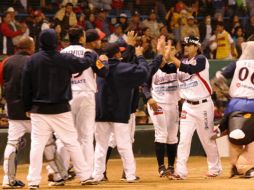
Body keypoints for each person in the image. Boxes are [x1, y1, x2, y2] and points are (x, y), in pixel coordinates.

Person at [21, 29, 98, 190]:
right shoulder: (63, 58)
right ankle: (84, 175)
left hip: (38, 109)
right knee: (72, 142)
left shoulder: (32, 60)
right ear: (56, 41)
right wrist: (90, 54)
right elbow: (84, 63)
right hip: (60, 109)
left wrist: (27, 107)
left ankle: (33, 181)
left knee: (37, 145)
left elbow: (25, 87)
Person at [58, 27, 108, 183]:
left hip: (66, 96)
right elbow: (103, 73)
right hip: (85, 94)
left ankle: (60, 173)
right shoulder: (90, 53)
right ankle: (86, 174)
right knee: (85, 137)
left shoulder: (61, 53)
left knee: (63, 136)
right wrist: (103, 62)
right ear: (81, 38)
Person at [168, 36, 222, 180]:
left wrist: (172, 57)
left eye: (189, 45)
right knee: (184, 139)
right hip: (187, 106)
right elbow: (166, 68)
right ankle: (180, 171)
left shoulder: (201, 59)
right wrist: (164, 54)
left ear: (196, 47)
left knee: (207, 139)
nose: (186, 47)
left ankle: (215, 168)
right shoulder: (182, 61)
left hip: (203, 105)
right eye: (184, 45)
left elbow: (191, 69)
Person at [213, 36, 254, 178]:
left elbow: (218, 77)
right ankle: (246, 166)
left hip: (233, 106)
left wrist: (227, 91)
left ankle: (235, 167)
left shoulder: (238, 64)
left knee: (234, 139)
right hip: (252, 106)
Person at [0, 36, 34, 189]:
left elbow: (2, 82)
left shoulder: (6, 61)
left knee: (12, 143)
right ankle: (58, 175)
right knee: (47, 141)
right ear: (30, 47)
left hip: (12, 107)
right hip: (32, 109)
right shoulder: (33, 61)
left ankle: (8, 180)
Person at [143, 40, 180, 177]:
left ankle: (171, 166)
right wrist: (148, 97)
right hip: (157, 103)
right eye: (165, 48)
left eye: (171, 48)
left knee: (172, 137)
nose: (168, 50)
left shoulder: (177, 66)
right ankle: (161, 167)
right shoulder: (153, 66)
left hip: (173, 104)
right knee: (161, 134)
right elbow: (144, 84)